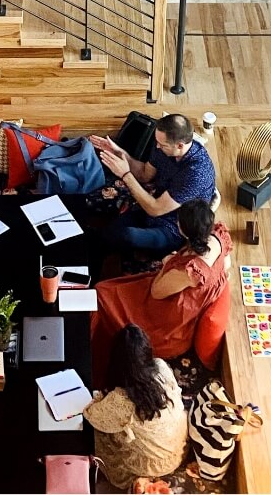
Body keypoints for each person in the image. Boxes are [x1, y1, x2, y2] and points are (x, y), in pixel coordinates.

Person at [90, 199, 232, 388]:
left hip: (167, 321)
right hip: (181, 302)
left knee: (101, 293)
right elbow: (227, 267)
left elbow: (157, 291)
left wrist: (169, 262)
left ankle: (94, 361)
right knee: (110, 289)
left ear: (184, 229)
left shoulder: (190, 272)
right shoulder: (217, 239)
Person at [90, 114, 215, 257]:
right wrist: (119, 153)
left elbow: (155, 209)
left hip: (174, 226)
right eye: (157, 142)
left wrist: (125, 175)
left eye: (162, 145)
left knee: (127, 236)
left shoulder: (197, 172)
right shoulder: (162, 146)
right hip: (152, 202)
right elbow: (144, 174)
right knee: (111, 232)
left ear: (180, 145)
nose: (157, 146)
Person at [83, 323, 188, 490]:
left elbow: (91, 415)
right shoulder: (161, 367)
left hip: (152, 466)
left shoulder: (122, 400)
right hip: (178, 449)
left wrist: (99, 397)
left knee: (97, 433)